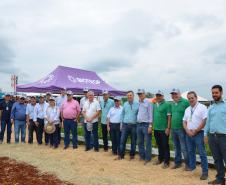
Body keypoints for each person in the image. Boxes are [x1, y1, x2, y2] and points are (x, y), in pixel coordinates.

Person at [183, 91, 208, 180]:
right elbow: (184, 121)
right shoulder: (187, 109)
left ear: (196, 98)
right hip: (189, 133)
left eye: (192, 98)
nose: (190, 100)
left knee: (202, 153)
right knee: (190, 151)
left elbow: (204, 120)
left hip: (199, 133)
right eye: (189, 98)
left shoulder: (202, 107)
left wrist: (196, 130)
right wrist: (187, 130)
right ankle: (192, 167)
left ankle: (205, 172)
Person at [205, 85, 226, 185]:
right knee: (217, 159)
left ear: (221, 93)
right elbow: (208, 122)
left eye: (216, 93)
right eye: (213, 93)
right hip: (212, 137)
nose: (214, 95)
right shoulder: (210, 107)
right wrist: (205, 134)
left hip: (224, 137)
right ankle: (220, 179)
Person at [170, 88, 190, 169]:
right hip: (173, 128)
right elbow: (171, 116)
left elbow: (190, 115)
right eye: (172, 94)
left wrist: (187, 128)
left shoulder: (185, 102)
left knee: (184, 147)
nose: (174, 95)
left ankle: (188, 164)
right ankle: (177, 163)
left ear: (179, 94)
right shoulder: (172, 103)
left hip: (182, 129)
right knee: (176, 147)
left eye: (175, 94)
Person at [118, 91, 139, 160]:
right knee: (122, 141)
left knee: (133, 142)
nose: (129, 96)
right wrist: (121, 124)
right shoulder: (125, 104)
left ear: (133, 96)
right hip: (125, 125)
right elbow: (122, 114)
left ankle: (132, 156)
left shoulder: (137, 104)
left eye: (130, 95)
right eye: (128, 95)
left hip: (134, 126)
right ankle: (121, 156)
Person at [153, 90, 171, 169]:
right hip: (156, 128)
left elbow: (169, 117)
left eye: (160, 95)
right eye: (157, 95)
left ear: (163, 96)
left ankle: (166, 162)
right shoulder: (155, 104)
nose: (158, 97)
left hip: (164, 129)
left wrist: (168, 128)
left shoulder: (167, 104)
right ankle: (160, 159)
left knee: (165, 145)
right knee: (159, 145)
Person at [136, 89, 153, 165]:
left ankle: (148, 158)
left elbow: (150, 114)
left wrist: (150, 125)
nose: (140, 95)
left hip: (146, 125)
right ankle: (142, 156)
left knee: (148, 142)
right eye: (139, 94)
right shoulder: (139, 102)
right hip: (139, 124)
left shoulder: (149, 102)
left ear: (144, 94)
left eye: (141, 94)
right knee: (140, 142)